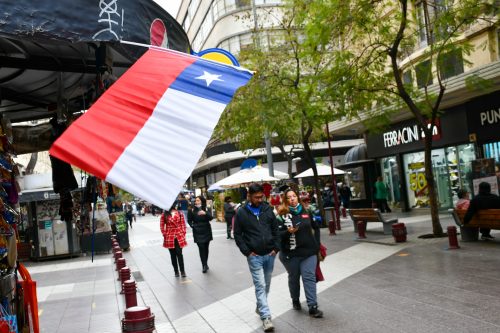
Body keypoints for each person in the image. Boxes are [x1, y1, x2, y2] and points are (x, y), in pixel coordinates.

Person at [234, 183, 280, 333]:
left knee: (266, 284)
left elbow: (275, 229)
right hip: (254, 256)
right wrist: (247, 252)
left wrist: (276, 248)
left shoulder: (267, 209)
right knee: (260, 285)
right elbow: (237, 234)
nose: (260, 199)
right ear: (249, 196)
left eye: (261, 196)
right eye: (256, 197)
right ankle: (266, 318)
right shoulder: (241, 212)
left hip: (270, 254)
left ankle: (260, 306)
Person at [277, 188, 323, 318]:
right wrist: (288, 232)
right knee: (294, 278)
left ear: (298, 197)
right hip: (290, 254)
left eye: (294, 196)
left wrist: (317, 244)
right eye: (289, 197)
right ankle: (295, 299)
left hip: (309, 252)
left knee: (309, 277)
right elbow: (276, 235)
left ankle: (313, 306)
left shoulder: (307, 211)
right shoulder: (281, 215)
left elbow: (316, 227)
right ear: (285, 200)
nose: (292, 199)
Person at [160, 202, 187, 277]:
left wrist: (183, 233)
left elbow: (183, 224)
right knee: (173, 255)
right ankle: (176, 271)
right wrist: (165, 234)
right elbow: (162, 226)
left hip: (179, 235)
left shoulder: (179, 213)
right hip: (169, 236)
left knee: (179, 254)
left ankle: (182, 271)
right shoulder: (164, 214)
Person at [188, 196, 213, 273]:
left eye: (198, 200)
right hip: (197, 231)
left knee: (206, 248)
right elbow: (189, 220)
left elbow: (211, 218)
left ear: (202, 201)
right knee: (201, 248)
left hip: (206, 229)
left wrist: (205, 213)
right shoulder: (191, 210)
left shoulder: (206, 208)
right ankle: (204, 265)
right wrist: (193, 226)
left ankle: (206, 263)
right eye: (195, 200)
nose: (196, 202)